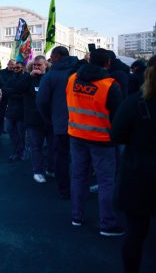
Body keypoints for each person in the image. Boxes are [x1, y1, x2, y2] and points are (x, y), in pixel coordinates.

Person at [66, 48, 123, 236]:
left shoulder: (73, 79)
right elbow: (118, 118)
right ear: (107, 63)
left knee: (78, 177)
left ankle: (77, 217)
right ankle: (107, 224)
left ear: (89, 60)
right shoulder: (109, 85)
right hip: (102, 139)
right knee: (106, 181)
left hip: (76, 135)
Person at [111, 55, 156, 272]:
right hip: (140, 171)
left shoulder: (134, 102)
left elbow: (117, 135)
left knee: (136, 233)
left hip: (139, 173)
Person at [36, 46, 79, 200]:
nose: (51, 60)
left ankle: (64, 190)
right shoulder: (81, 71)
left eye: (52, 57)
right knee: (81, 159)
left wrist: (51, 118)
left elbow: (41, 101)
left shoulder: (51, 75)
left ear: (58, 56)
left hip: (61, 124)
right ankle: (80, 189)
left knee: (61, 157)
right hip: (84, 124)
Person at [15, 56, 54, 183]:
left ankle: (50, 168)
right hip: (33, 120)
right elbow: (17, 88)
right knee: (36, 147)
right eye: (35, 65)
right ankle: (38, 171)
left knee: (51, 147)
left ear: (46, 66)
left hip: (49, 119)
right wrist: (29, 76)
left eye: (39, 65)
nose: (36, 67)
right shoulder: (28, 78)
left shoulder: (50, 78)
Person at [4, 61, 27, 161]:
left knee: (20, 133)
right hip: (11, 109)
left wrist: (12, 92)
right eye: (14, 68)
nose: (15, 69)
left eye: (18, 68)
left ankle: (20, 152)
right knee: (10, 130)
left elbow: (24, 94)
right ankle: (18, 150)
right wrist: (15, 92)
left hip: (21, 110)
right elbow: (5, 90)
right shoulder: (11, 78)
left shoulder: (26, 78)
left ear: (23, 68)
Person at [0, 59, 16, 135]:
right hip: (3, 96)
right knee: (1, 114)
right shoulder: (1, 72)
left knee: (13, 113)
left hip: (12, 96)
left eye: (14, 65)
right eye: (11, 64)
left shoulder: (15, 73)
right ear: (8, 64)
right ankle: (1, 129)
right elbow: (1, 83)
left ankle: (13, 129)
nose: (13, 66)